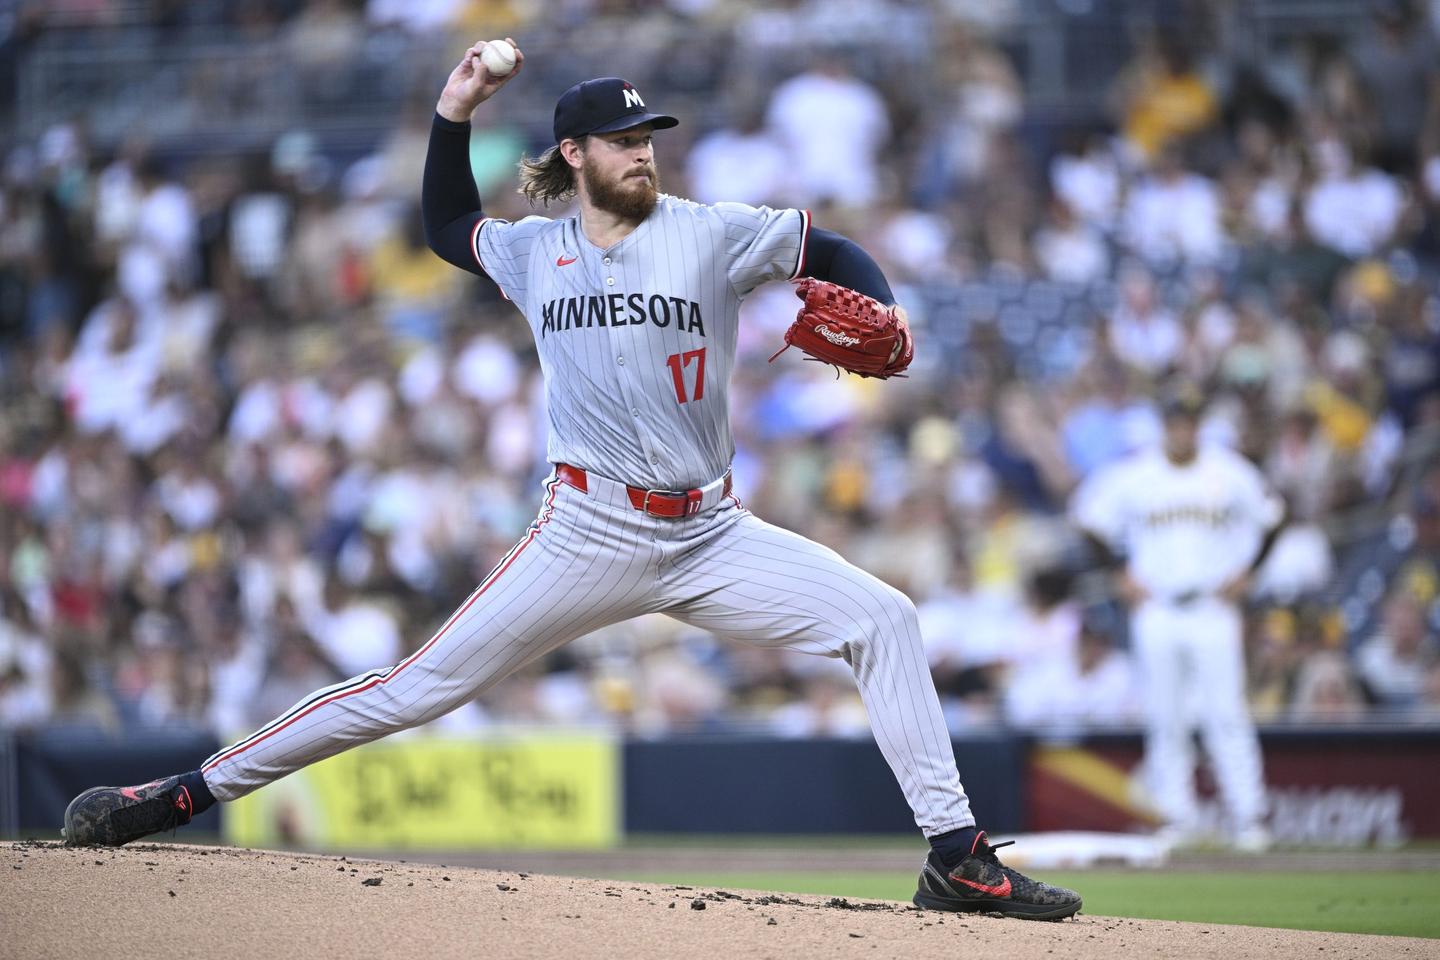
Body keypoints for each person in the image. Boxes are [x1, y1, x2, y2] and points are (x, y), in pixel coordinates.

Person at [60, 40, 1081, 921]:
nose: (644, 151)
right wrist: (452, 111)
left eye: (651, 136)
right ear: (576, 155)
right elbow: (440, 227)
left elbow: (832, 245)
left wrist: (886, 308)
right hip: (587, 531)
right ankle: (185, 795)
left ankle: (957, 861)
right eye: (626, 139)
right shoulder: (531, 251)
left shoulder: (709, 229)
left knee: (886, 619)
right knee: (414, 690)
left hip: (712, 534)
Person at [1071, 387, 1283, 851]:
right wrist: (1118, 573)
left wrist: (1249, 572)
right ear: (1164, 426)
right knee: (1165, 715)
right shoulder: (1138, 474)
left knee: (1226, 712)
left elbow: (1273, 517)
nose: (1181, 429)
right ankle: (1175, 817)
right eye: (1174, 421)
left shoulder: (1227, 471)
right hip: (1158, 607)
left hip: (1213, 605)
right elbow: (1088, 520)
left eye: (1188, 421)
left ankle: (1249, 817)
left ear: (1197, 426)